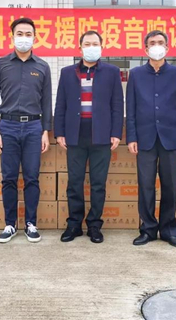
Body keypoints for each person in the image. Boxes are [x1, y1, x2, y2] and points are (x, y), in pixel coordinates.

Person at [54, 31, 124, 244]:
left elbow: (117, 104)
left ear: (101, 47)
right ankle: (74, 224)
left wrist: (116, 133)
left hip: (101, 134)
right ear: (80, 48)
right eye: (87, 44)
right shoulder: (67, 72)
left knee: (98, 183)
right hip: (75, 134)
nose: (91, 47)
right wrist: (59, 132)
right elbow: (61, 104)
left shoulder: (112, 72)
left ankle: (94, 225)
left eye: (95, 44)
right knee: (74, 182)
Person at [0, 17, 52, 243]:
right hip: (8, 126)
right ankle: (10, 224)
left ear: (35, 37)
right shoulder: (0, 65)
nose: (24, 38)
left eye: (28, 34)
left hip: (34, 127)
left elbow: (46, 102)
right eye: (20, 34)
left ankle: (31, 224)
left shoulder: (42, 66)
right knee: (9, 178)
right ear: (12, 36)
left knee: (32, 178)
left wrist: (45, 131)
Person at [126, 30, 176, 247]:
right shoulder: (136, 74)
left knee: (170, 185)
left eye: (160, 42)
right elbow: (131, 108)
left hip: (171, 138)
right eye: (152, 43)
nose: (156, 46)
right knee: (145, 186)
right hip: (144, 138)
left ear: (167, 48)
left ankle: (169, 230)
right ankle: (148, 229)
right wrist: (131, 137)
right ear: (145, 49)